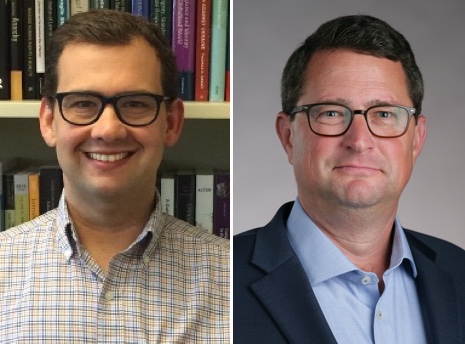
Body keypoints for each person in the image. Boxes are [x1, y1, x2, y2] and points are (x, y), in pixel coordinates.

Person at [234, 14, 465, 344]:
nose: (359, 140)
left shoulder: (460, 272)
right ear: (288, 136)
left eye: (384, 114)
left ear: (416, 139)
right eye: (330, 112)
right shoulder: (224, 279)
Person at [0, 10, 229, 342]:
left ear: (172, 122)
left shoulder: (232, 277)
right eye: (82, 103)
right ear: (49, 121)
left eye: (135, 103)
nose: (108, 130)